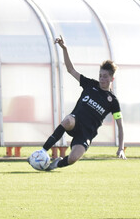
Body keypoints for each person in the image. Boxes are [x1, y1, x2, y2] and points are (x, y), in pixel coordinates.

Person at [39, 36, 125, 170]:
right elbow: (71, 70)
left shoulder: (113, 101)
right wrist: (65, 49)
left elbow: (120, 125)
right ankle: (42, 151)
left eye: (105, 76)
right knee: (68, 120)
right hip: (75, 122)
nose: (102, 79)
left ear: (112, 78)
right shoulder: (90, 84)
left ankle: (55, 164)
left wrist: (121, 148)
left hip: (86, 133)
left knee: (73, 158)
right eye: (100, 75)